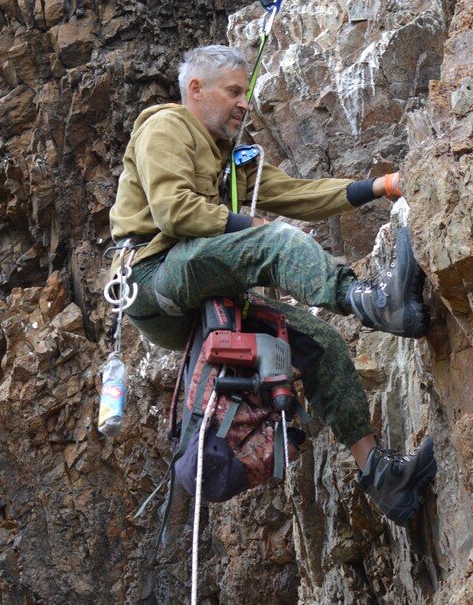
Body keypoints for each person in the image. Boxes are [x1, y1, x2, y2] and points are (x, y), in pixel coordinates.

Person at [109, 44, 435, 524]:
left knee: (320, 343)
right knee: (274, 240)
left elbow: (298, 195)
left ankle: (381, 477)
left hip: (194, 284)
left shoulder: (231, 157)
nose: (245, 102)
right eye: (234, 91)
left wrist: (381, 186)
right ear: (196, 90)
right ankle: (375, 300)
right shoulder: (166, 127)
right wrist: (249, 228)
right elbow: (172, 211)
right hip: (155, 274)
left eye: (246, 92)